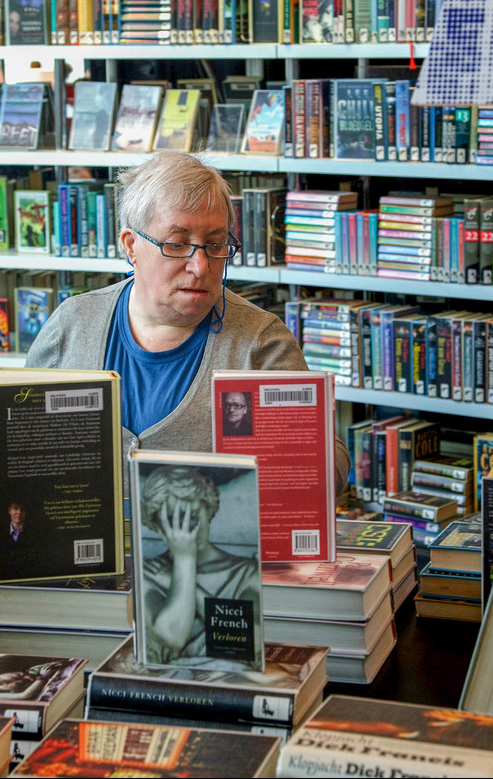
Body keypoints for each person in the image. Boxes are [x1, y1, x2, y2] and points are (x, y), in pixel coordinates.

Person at [24, 151, 350, 492]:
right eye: (178, 245)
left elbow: (333, 466)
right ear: (131, 246)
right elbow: (18, 445)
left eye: (215, 244)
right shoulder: (72, 326)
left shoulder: (260, 343)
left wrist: (286, 456)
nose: (201, 267)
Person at [137, 465, 261, 670]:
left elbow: (251, 639)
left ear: (209, 508)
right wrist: (185, 559)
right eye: (173, 520)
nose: (187, 530)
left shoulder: (246, 573)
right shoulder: (149, 573)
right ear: (158, 528)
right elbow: (173, 636)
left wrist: (175, 579)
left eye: (193, 515)